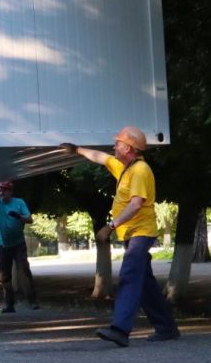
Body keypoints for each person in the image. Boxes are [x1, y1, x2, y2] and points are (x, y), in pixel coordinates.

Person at [61, 125, 180, 347]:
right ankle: (167, 328)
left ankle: (120, 329)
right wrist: (77, 150)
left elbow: (136, 204)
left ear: (128, 148)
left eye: (118, 143)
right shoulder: (125, 168)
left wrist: (110, 226)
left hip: (141, 233)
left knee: (129, 275)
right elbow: (101, 158)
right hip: (131, 233)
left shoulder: (140, 171)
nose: (114, 146)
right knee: (144, 284)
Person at [0, 181, 39, 313]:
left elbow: (30, 219)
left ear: (10, 191)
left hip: (19, 245)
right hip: (3, 246)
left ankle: (32, 301)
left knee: (24, 271)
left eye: (4, 190)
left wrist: (19, 216)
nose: (1, 192)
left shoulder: (19, 202)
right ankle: (9, 305)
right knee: (4, 277)